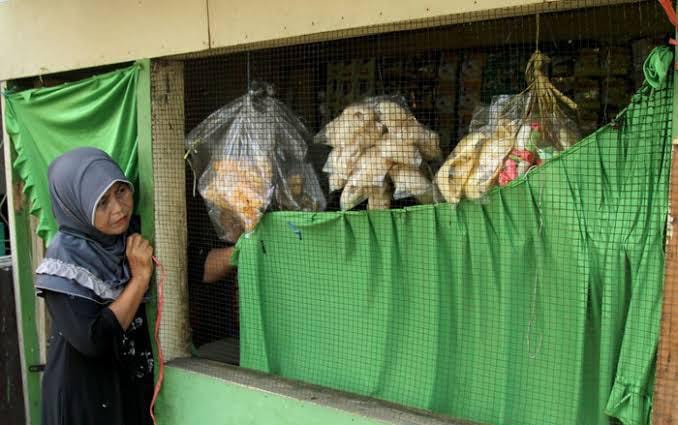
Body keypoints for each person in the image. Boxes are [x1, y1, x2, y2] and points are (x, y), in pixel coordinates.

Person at [35, 147, 154, 425]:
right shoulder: (64, 262)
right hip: (85, 400)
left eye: (121, 191)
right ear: (77, 206)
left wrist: (241, 251)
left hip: (127, 390)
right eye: (101, 202)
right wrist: (139, 280)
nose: (118, 208)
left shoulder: (132, 233)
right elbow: (93, 340)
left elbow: (190, 265)